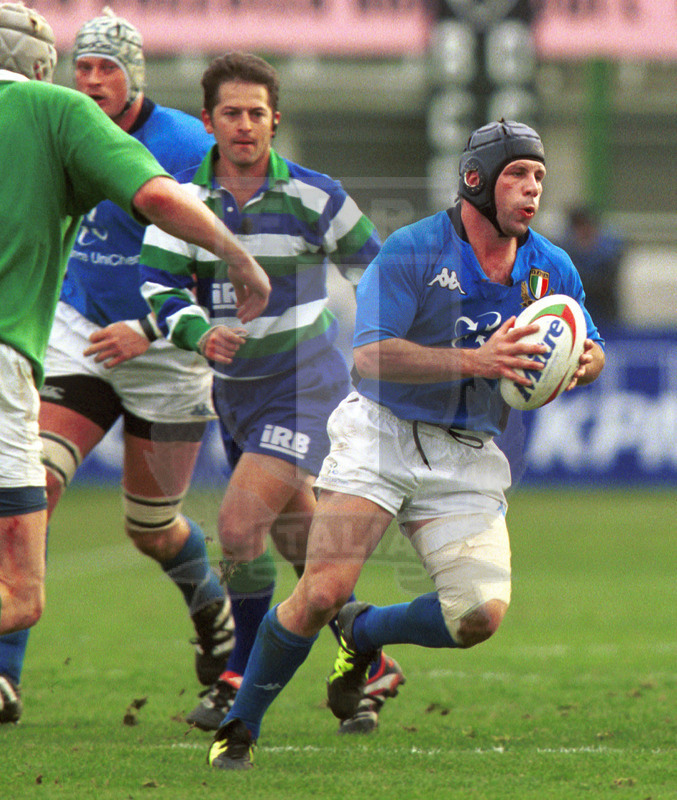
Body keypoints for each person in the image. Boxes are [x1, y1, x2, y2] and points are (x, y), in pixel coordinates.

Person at [204, 118, 607, 770]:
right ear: (475, 180)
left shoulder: (549, 266)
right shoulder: (414, 250)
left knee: (478, 617)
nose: (531, 189)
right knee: (320, 592)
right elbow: (369, 358)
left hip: (467, 453)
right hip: (380, 437)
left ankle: (365, 633)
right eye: (516, 175)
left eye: (537, 176)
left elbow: (587, 348)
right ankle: (239, 725)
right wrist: (479, 361)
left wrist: (584, 362)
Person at [0, 0, 269, 714]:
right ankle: (5, 675)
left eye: (105, 69)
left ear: (134, 77)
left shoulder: (184, 144)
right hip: (75, 335)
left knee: (150, 527)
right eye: (81, 66)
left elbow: (214, 256)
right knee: (38, 490)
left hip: (166, 353)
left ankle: (209, 609)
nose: (91, 81)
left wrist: (146, 331)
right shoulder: (51, 116)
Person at [139, 52, 405, 735]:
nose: (244, 124)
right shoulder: (182, 201)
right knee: (305, 548)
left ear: (274, 121)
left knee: (236, 527)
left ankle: (236, 679)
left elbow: (376, 273)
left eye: (257, 112)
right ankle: (367, 656)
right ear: (208, 122)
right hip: (235, 393)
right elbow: (159, 288)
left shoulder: (315, 194)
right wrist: (198, 332)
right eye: (231, 112)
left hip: (304, 382)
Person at [556, 204, 626, 328]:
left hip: (605, 315)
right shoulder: (563, 254)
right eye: (578, 227)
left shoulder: (608, 253)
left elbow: (606, 284)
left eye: (587, 226)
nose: (583, 232)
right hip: (572, 319)